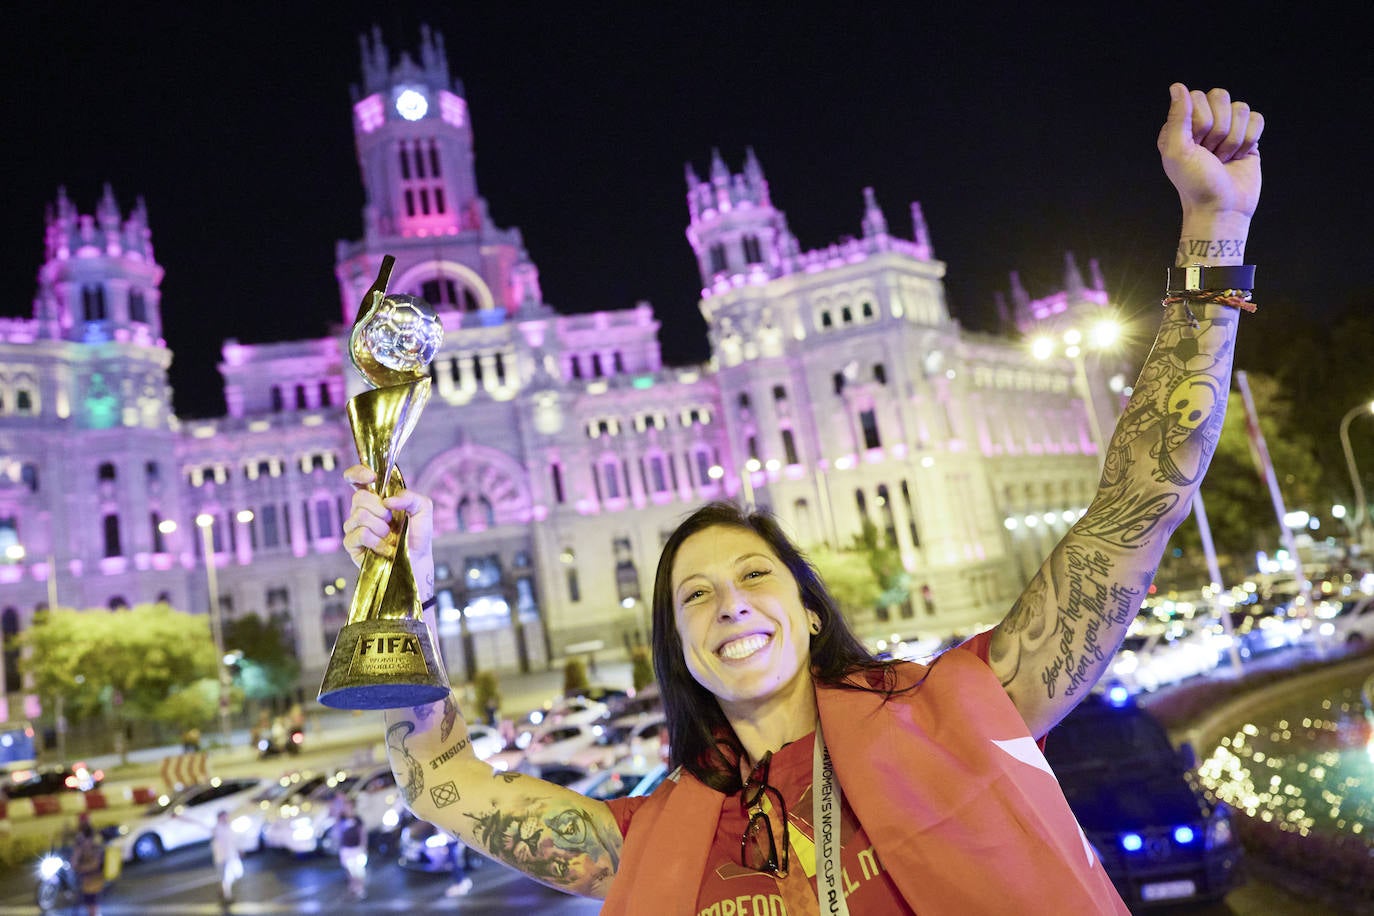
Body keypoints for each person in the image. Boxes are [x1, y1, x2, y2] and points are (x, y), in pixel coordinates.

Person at [342, 83, 1263, 911]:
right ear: (678, 650)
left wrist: (1213, 232)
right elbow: (441, 783)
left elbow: (1138, 502)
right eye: (694, 595)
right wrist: (396, 591)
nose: (730, 603)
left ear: (811, 609)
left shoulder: (954, 715)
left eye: (754, 574)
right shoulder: (654, 838)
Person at [69, 814, 106, 916]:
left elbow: (95, 863)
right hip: (85, 878)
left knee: (92, 903)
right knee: (88, 902)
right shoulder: (79, 839)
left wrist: (79, 867)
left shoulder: (94, 841)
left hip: (94, 878)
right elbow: (75, 856)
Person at [336, 798, 368, 900]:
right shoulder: (341, 818)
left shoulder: (358, 819)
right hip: (346, 849)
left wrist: (363, 846)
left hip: (356, 848)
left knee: (358, 870)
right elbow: (338, 832)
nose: (348, 809)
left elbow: (362, 833)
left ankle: (360, 888)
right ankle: (352, 888)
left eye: (349, 806)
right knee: (349, 870)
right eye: (346, 807)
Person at [210, 809, 243, 905]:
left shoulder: (228, 827)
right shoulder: (217, 829)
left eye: (226, 816)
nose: (226, 818)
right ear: (219, 818)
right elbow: (199, 824)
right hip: (223, 858)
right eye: (224, 817)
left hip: (232, 857)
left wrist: (239, 850)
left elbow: (233, 841)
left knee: (237, 874)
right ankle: (227, 896)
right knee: (226, 879)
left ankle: (222, 890)